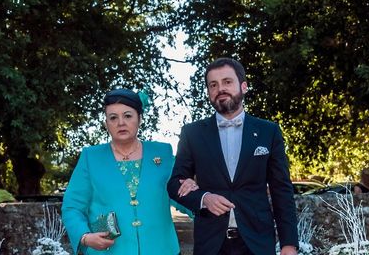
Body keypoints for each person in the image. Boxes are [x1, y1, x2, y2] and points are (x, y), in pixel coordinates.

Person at [168, 57, 299, 255]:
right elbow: (175, 183)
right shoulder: (192, 133)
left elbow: (281, 190)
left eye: (227, 82)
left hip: (257, 244)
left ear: (244, 86)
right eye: (213, 85)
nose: (220, 89)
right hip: (211, 245)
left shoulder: (268, 131)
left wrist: (289, 244)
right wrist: (204, 198)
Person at [62, 88, 190, 255]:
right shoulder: (90, 157)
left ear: (140, 118)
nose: (120, 123)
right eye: (113, 118)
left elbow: (180, 194)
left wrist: (201, 202)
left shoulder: (162, 153)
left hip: (162, 249)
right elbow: (72, 207)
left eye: (128, 116)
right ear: (106, 123)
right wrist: (85, 237)